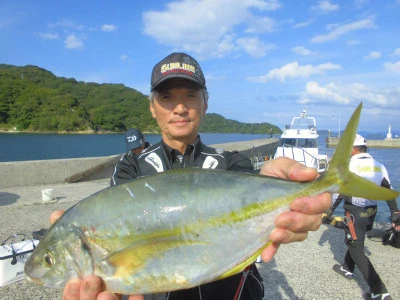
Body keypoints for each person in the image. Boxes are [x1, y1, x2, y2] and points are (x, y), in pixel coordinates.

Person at [52, 52, 331, 300]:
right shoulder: (131, 168)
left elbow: (256, 198)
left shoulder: (231, 163)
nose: (180, 107)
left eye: (190, 96)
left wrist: (293, 196)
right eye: (167, 97)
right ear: (152, 107)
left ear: (205, 102)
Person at [331, 134, 400, 300]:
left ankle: (380, 291)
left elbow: (338, 193)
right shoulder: (379, 166)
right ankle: (347, 268)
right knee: (355, 241)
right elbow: (387, 191)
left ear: (353, 149)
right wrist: (395, 213)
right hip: (371, 212)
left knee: (356, 247)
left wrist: (328, 210)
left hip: (354, 213)